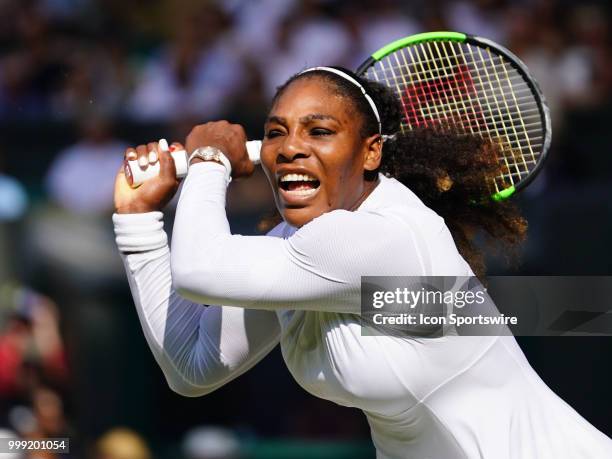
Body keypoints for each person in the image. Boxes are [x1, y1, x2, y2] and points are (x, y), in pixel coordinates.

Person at [112, 67, 612, 458]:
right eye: (277, 133)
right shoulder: (304, 252)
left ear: (371, 152)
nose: (292, 148)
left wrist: (208, 161)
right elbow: (192, 368)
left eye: (320, 130)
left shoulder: (383, 237)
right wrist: (137, 221)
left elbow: (201, 270)